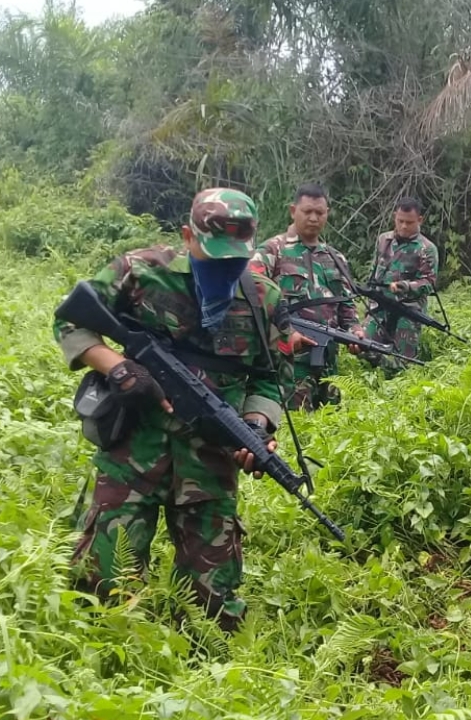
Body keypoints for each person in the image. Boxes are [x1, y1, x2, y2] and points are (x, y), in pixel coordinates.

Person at [53, 187, 302, 633]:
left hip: (209, 459)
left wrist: (255, 425)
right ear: (188, 236)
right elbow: (70, 318)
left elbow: (271, 376)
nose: (225, 270)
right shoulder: (141, 273)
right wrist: (119, 368)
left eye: (235, 261)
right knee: (98, 592)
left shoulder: (263, 298)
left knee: (213, 611)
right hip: (133, 448)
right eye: (214, 258)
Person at [250, 183, 364, 410]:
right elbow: (252, 295)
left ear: (327, 214)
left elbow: (346, 306)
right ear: (293, 211)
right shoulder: (273, 251)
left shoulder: (335, 258)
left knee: (332, 431)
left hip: (329, 366)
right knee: (296, 430)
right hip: (290, 366)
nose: (313, 218)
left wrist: (356, 331)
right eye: (307, 211)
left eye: (319, 213)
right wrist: (286, 332)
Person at [362, 197, 439, 377]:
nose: (404, 226)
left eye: (409, 222)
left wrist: (406, 286)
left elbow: (429, 283)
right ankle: (376, 374)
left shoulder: (427, 249)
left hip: (409, 309)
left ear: (420, 220)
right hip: (380, 306)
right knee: (363, 347)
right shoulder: (383, 240)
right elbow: (374, 273)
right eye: (400, 221)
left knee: (404, 365)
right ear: (394, 216)